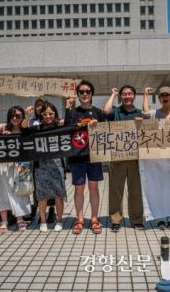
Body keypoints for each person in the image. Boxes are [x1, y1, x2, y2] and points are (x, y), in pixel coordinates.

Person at [103, 85, 146, 232]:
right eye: (124, 94)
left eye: (130, 94)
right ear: (121, 97)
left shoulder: (140, 113)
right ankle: (116, 220)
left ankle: (137, 220)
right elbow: (105, 111)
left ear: (134, 96)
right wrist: (113, 94)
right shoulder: (115, 112)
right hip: (117, 159)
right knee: (115, 191)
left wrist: (143, 124)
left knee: (135, 191)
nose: (127, 96)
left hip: (135, 160)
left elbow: (149, 134)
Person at [64, 80, 105, 235]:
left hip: (94, 156)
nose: (85, 94)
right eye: (81, 92)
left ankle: (94, 219)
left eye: (88, 91)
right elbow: (66, 130)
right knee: (79, 188)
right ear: (78, 95)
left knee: (94, 188)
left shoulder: (98, 112)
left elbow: (106, 132)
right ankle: (79, 219)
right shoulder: (73, 112)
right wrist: (68, 108)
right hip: (77, 157)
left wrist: (98, 125)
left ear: (92, 93)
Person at [22, 101, 67, 232]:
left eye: (51, 114)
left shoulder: (60, 127)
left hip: (57, 165)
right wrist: (27, 116)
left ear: (55, 114)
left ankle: (59, 220)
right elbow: (24, 130)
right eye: (45, 114)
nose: (48, 116)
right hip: (40, 165)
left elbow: (73, 126)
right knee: (42, 196)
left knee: (59, 195)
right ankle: (42, 221)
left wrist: (69, 108)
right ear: (41, 115)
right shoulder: (37, 128)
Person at [0, 105, 31, 232]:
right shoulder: (3, 127)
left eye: (18, 116)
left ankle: (20, 220)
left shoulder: (25, 129)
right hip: (2, 166)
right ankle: (4, 220)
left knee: (20, 192)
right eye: (12, 115)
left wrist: (27, 116)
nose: (15, 118)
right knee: (1, 193)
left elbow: (27, 124)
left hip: (21, 165)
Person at [142, 86, 170, 230]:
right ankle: (160, 218)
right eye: (162, 95)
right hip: (155, 160)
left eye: (167, 95)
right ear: (159, 98)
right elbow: (144, 112)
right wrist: (145, 94)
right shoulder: (154, 113)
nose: (165, 97)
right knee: (157, 188)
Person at [25, 97, 57, 224]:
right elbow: (24, 132)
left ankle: (52, 211)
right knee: (38, 187)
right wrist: (27, 116)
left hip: (52, 159)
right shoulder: (32, 121)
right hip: (37, 159)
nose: (39, 108)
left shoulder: (54, 121)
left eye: (41, 105)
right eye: (37, 105)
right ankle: (38, 210)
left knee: (52, 186)